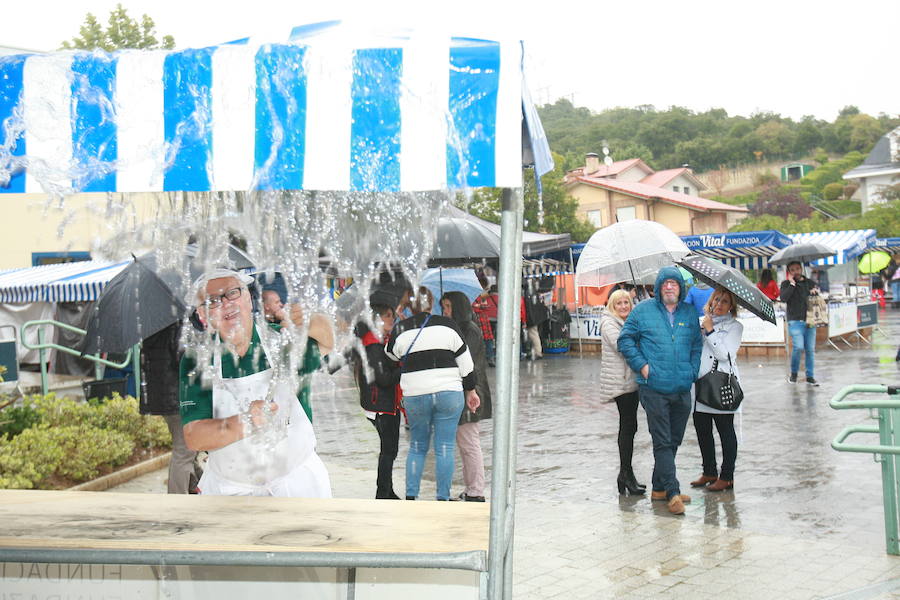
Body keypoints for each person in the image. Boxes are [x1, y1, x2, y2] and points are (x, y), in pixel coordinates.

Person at [179, 268, 334, 497]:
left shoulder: (284, 342)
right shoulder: (197, 360)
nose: (226, 304)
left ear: (249, 299)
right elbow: (194, 437)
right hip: (230, 495)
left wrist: (315, 320)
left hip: (299, 488)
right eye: (213, 301)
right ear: (203, 315)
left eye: (232, 293)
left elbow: (329, 342)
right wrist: (246, 422)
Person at [617, 267, 703, 515]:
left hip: (682, 387)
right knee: (663, 441)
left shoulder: (688, 312)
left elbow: (697, 345)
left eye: (673, 284)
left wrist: (692, 370)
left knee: (673, 440)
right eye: (664, 283)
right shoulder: (642, 311)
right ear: (657, 287)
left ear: (680, 288)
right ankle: (673, 492)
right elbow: (625, 340)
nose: (669, 287)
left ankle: (658, 488)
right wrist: (642, 366)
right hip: (654, 388)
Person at [385, 287, 480, 501]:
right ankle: (442, 498)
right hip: (449, 393)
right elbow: (466, 364)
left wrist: (402, 322)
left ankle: (411, 496)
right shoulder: (448, 325)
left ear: (409, 305)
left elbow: (390, 356)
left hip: (416, 394)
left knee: (417, 446)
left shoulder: (401, 329)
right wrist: (471, 391)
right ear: (432, 303)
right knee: (444, 446)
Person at [441, 291, 492, 502]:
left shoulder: (469, 330)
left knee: (469, 443)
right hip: (461, 392)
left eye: (448, 306)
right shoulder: (456, 329)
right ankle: (472, 488)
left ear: (458, 307)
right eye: (443, 306)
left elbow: (464, 362)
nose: (444, 311)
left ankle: (476, 492)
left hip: (471, 392)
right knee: (465, 443)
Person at [690, 287, 743, 492]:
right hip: (700, 384)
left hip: (721, 386)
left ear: (732, 307)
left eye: (725, 302)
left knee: (725, 431)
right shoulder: (702, 323)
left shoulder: (735, 327)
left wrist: (710, 331)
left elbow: (724, 354)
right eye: (717, 300)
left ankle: (727, 476)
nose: (719, 305)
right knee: (702, 430)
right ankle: (709, 471)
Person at [140, 321, 203, 494]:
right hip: (180, 397)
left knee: (189, 446)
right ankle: (176, 499)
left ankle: (196, 483)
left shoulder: (152, 327)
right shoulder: (177, 324)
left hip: (164, 397)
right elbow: (184, 359)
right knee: (185, 452)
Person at [351, 293, 402, 500]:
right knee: (389, 450)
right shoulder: (373, 345)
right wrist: (403, 367)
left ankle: (386, 490)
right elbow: (384, 379)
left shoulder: (378, 342)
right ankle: (383, 493)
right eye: (388, 316)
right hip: (381, 405)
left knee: (389, 449)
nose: (392, 319)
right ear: (377, 320)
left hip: (382, 403)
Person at [598, 289, 644, 496]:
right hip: (620, 383)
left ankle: (627, 474)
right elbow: (621, 346)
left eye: (627, 302)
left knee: (631, 426)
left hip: (630, 382)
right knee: (627, 427)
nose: (624, 306)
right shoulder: (609, 323)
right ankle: (625, 474)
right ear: (612, 306)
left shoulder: (625, 322)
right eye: (620, 303)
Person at [780, 261, 820, 386]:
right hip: (794, 321)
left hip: (810, 320)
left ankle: (810, 376)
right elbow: (783, 298)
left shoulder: (809, 283)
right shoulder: (786, 284)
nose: (796, 271)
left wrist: (814, 292)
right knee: (798, 347)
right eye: (792, 270)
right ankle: (794, 374)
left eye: (797, 268)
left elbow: (815, 299)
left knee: (810, 350)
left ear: (801, 269)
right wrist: (792, 284)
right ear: (789, 272)